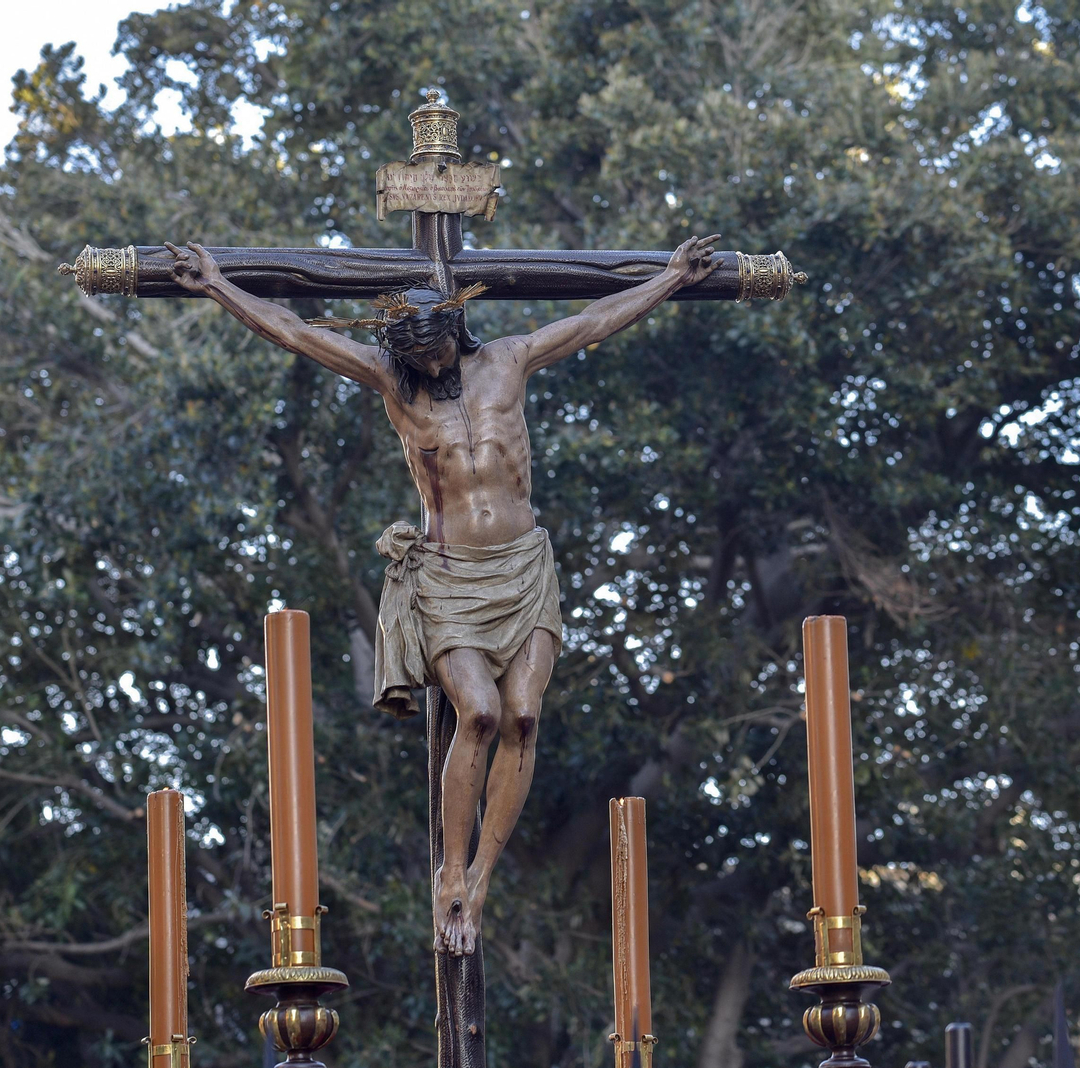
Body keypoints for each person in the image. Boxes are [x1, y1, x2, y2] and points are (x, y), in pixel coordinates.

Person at [164, 234, 722, 954]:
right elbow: (295, 333)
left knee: (524, 716)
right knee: (481, 713)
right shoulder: (394, 382)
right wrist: (216, 285)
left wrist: (672, 278)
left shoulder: (508, 360)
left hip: (523, 567)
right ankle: (449, 871)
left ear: (457, 330)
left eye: (435, 351)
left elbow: (592, 321)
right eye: (414, 355)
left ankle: (481, 879)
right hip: (451, 576)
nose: (428, 367)